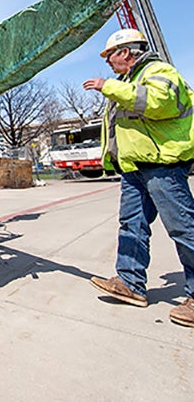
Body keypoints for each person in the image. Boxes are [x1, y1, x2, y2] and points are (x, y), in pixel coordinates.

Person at [83, 28, 194, 327]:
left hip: (162, 166)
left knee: (183, 228)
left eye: (110, 55)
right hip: (134, 168)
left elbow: (158, 103)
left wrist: (109, 87)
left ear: (128, 52)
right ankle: (130, 283)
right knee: (132, 225)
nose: (107, 61)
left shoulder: (159, 71)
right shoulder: (126, 82)